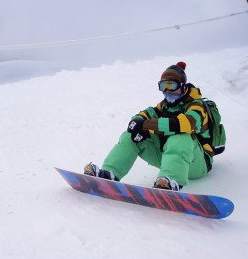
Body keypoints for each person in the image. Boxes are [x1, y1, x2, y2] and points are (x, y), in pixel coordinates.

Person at [84, 61, 214, 191]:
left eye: (171, 85)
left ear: (182, 85)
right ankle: (109, 174)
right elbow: (141, 116)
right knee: (131, 136)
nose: (167, 90)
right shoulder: (163, 106)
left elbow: (186, 124)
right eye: (163, 85)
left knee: (180, 137)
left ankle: (170, 181)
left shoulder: (196, 105)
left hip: (198, 163)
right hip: (173, 158)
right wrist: (138, 124)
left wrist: (148, 125)